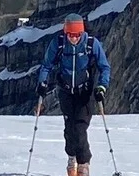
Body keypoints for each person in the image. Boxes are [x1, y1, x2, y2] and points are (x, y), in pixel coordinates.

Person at [36, 14, 112, 176]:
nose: (74, 39)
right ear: (65, 32)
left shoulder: (91, 44)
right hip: (66, 92)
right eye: (71, 35)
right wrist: (42, 82)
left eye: (77, 35)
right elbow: (47, 65)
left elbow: (104, 67)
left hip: (85, 93)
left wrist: (102, 87)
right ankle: (71, 157)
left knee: (79, 127)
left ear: (82, 32)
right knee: (69, 128)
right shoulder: (59, 43)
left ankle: (83, 163)